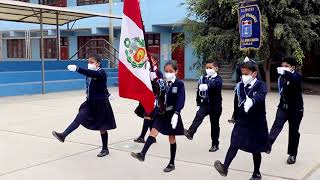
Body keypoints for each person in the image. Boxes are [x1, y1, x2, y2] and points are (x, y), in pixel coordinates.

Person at [52, 54, 116, 157]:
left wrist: (77, 68)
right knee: (79, 117)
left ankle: (105, 148)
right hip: (90, 102)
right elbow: (101, 86)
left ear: (98, 63)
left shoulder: (101, 73)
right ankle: (63, 135)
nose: (89, 64)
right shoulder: (89, 74)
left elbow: (92, 74)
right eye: (88, 62)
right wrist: (108, 93)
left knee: (102, 127)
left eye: (92, 62)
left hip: (101, 104)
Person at [214, 61, 269, 180]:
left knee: (256, 149)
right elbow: (237, 102)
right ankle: (225, 167)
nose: (243, 76)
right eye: (242, 74)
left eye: (246, 74)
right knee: (234, 142)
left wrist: (252, 101)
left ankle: (256, 173)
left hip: (256, 122)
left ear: (254, 74)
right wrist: (235, 117)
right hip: (242, 120)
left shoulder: (261, 85)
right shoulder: (240, 86)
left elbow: (261, 96)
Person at [131, 61, 185, 173]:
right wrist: (152, 79)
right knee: (153, 132)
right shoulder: (163, 83)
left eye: (171, 71)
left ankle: (171, 163)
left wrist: (177, 113)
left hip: (172, 114)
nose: (168, 73)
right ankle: (142, 154)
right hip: (162, 113)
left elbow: (181, 99)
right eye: (166, 71)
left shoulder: (179, 84)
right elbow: (156, 91)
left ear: (176, 72)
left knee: (171, 138)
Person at [268, 57, 304, 164]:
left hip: (296, 110)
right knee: (277, 125)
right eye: (282, 66)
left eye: (286, 66)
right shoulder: (281, 78)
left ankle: (292, 154)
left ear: (292, 67)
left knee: (293, 132)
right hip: (283, 107)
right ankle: (268, 144)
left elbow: (294, 79)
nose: (283, 68)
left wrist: (284, 72)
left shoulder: (297, 76)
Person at [184, 61, 223, 152]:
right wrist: (198, 103)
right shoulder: (203, 78)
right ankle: (191, 132)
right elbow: (199, 92)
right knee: (198, 116)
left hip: (215, 106)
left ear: (216, 69)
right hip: (205, 104)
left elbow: (216, 85)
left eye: (210, 68)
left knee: (214, 125)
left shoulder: (218, 79)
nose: (208, 70)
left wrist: (207, 86)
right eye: (207, 68)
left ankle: (215, 144)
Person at [134, 54, 163, 143]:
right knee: (149, 117)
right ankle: (152, 137)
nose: (147, 62)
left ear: (154, 61)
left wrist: (154, 78)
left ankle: (142, 136)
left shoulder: (157, 72)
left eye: (149, 60)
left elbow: (160, 86)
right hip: (145, 96)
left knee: (148, 116)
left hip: (153, 97)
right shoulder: (146, 71)